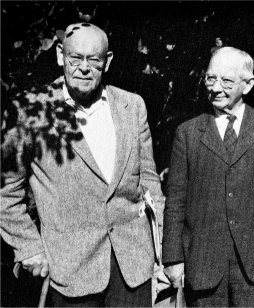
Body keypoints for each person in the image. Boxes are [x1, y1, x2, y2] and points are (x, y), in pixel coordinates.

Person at [1, 23, 164, 306]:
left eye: (94, 59)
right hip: (69, 272)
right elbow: (5, 192)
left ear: (108, 61)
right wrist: (28, 248)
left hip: (133, 269)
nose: (84, 68)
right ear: (60, 55)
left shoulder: (132, 106)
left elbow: (150, 182)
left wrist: (162, 250)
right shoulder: (29, 111)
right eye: (75, 58)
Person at [162, 47, 254, 307]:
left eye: (226, 81)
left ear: (247, 85)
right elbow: (176, 202)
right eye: (210, 78)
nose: (215, 87)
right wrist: (173, 258)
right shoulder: (188, 133)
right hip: (204, 269)